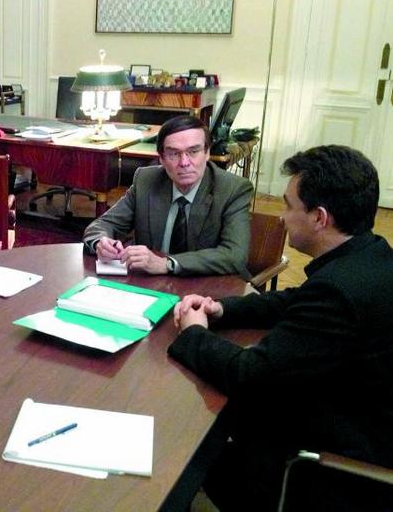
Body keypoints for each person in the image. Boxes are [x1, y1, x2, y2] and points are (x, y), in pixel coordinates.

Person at [168, 145, 393, 511]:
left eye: (288, 206)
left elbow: (248, 375)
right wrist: (222, 308)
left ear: (320, 218)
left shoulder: (337, 292)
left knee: (192, 446)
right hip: (363, 415)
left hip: (337, 464)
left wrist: (194, 333)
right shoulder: (370, 256)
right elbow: (294, 300)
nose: (281, 217)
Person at [83, 115, 253, 277]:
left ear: (207, 153)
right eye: (173, 154)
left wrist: (166, 264)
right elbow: (102, 224)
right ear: (162, 159)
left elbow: (234, 255)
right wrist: (101, 242)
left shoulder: (233, 189)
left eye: (193, 152)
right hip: (151, 286)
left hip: (207, 289)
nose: (184, 162)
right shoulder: (146, 181)